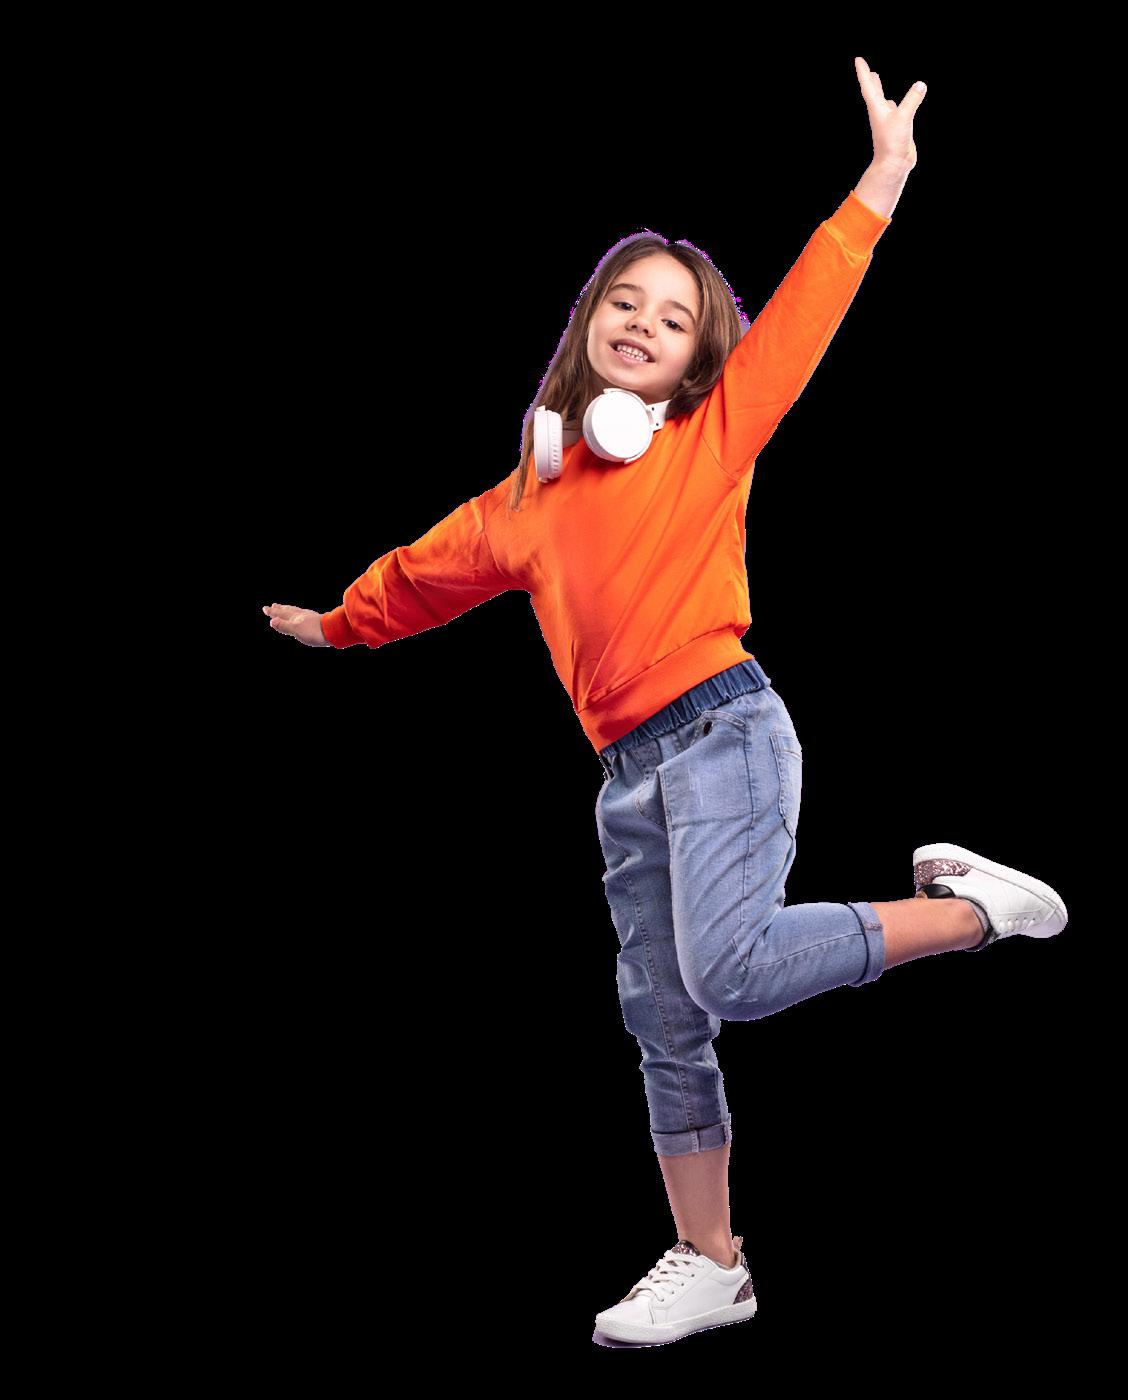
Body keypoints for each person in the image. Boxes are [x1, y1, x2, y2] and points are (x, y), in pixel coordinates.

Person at [261, 57, 1068, 1347]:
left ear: (699, 363)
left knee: (730, 972)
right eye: (623, 301)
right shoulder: (522, 505)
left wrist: (882, 180)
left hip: (725, 730)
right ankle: (712, 1262)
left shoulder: (708, 441)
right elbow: (422, 573)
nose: (642, 321)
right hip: (626, 776)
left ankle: (973, 912)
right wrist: (340, 623)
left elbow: (802, 314)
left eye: (675, 317)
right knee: (663, 1013)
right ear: (586, 325)